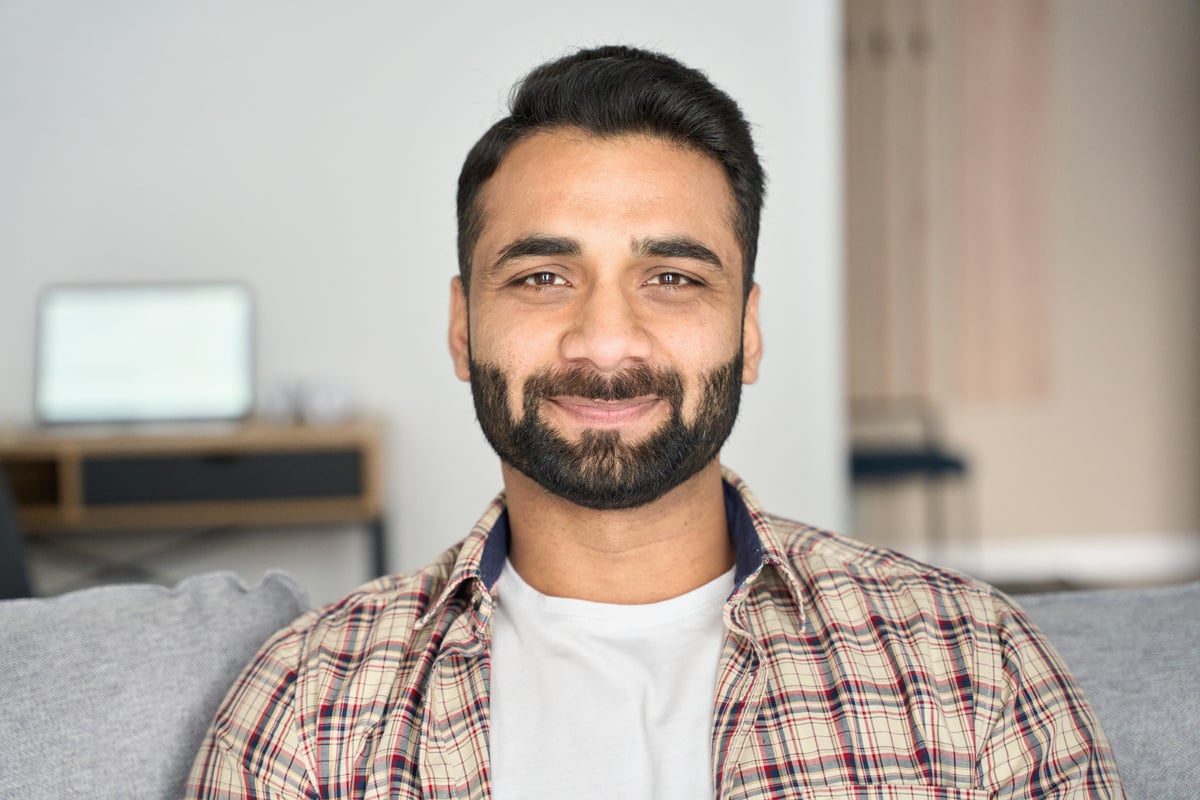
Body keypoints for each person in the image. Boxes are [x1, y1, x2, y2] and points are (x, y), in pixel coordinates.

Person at [187, 45, 1124, 799]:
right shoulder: (309, 706)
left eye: (672, 278)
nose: (604, 341)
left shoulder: (970, 671)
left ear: (748, 330)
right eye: (542, 277)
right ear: (462, 325)